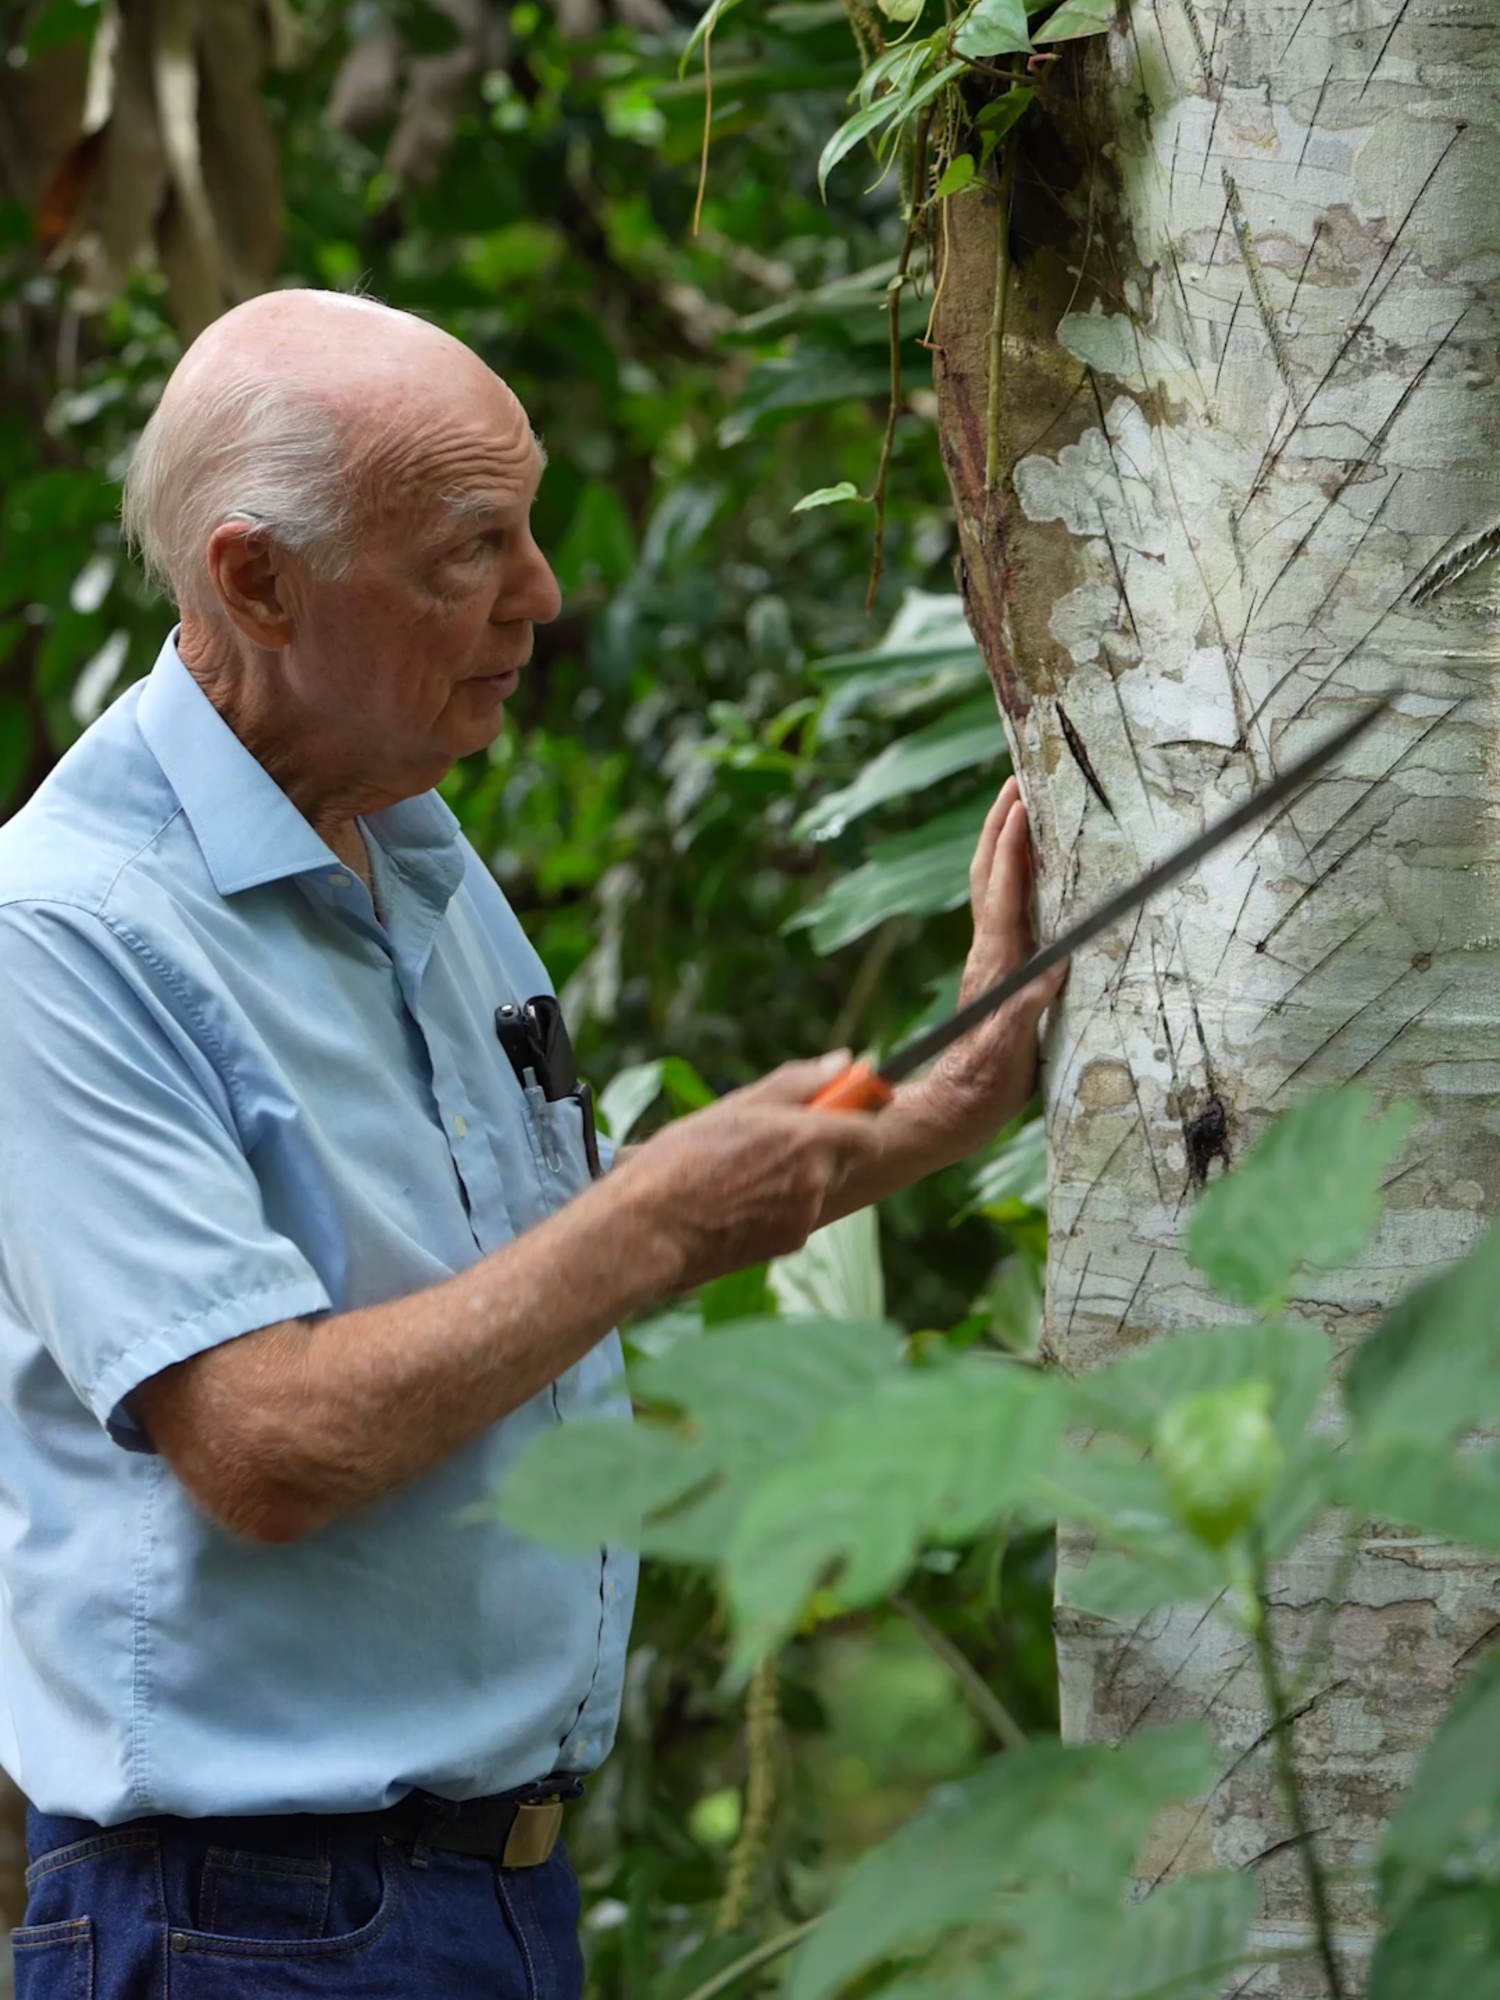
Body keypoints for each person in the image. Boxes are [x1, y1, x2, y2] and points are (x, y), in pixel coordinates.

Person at [0, 290, 1062, 1999]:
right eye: (466, 551)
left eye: (527, 529)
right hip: (244, 1922)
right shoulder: (62, 934)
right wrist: (649, 1225)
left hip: (483, 1898)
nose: (543, 597)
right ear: (255, 581)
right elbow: (259, 1440)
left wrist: (928, 1112)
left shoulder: (407, 843)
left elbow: (505, 1269)